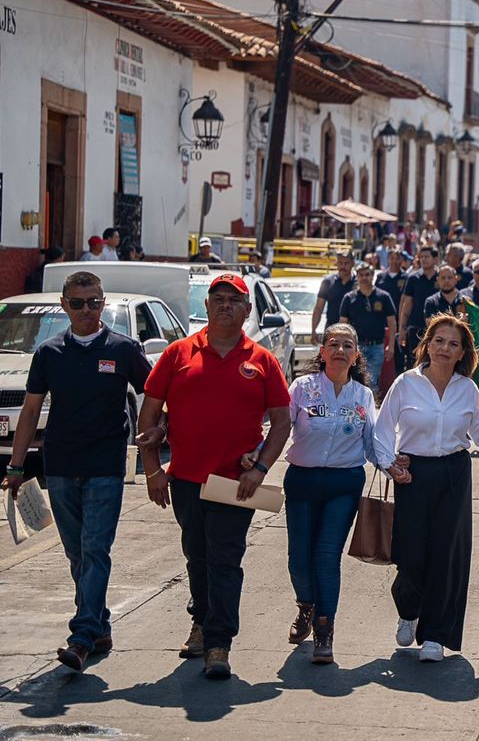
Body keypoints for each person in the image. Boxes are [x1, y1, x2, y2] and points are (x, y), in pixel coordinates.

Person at [137, 273, 291, 679]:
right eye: (217, 298)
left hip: (235, 484)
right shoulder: (177, 353)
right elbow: (150, 415)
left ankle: (219, 643)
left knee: (225, 559)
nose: (224, 304)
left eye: (233, 299)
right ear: (206, 306)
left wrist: (260, 469)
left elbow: (281, 422)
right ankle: (202, 621)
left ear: (247, 309)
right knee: (197, 555)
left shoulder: (262, 360)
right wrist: (154, 470)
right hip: (185, 479)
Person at [2, 272, 152, 671]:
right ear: (64, 306)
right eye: (77, 303)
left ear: (102, 304)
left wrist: (156, 435)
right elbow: (31, 410)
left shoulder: (124, 349)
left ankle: (82, 635)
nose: (86, 310)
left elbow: (156, 393)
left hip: (105, 466)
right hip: (61, 466)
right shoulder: (49, 352)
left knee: (94, 548)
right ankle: (100, 625)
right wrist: (16, 466)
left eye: (93, 302)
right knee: (76, 553)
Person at [374, 314, 479, 663]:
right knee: (411, 553)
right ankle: (408, 610)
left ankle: (434, 635)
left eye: (453, 344)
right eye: (439, 341)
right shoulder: (405, 383)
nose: (445, 348)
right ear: (427, 344)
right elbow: (383, 430)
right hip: (412, 474)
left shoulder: (468, 389)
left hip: (454, 473)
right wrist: (390, 465)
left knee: (446, 554)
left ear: (463, 352)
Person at [283, 324, 378, 665]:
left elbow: (373, 444)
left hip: (344, 484)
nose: (339, 350)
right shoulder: (302, 388)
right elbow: (280, 428)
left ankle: (325, 630)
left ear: (356, 356)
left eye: (347, 345)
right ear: (321, 352)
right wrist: (257, 456)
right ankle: (305, 605)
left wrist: (395, 464)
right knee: (298, 559)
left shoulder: (363, 396)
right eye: (333, 344)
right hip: (302, 482)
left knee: (325, 556)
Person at [339, 263, 396, 394]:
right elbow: (343, 325)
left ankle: (368, 412)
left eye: (367, 274)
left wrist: (391, 345)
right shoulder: (349, 298)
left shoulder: (384, 297)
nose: (364, 278)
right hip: (355, 347)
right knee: (353, 380)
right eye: (361, 275)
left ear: (373, 276)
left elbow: (392, 322)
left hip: (377, 347)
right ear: (357, 277)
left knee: (372, 381)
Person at [398, 246, 440, 367]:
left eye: (427, 256)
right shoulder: (413, 278)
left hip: (437, 329)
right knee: (415, 363)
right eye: (421, 257)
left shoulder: (442, 277)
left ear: (435, 259)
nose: (423, 259)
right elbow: (407, 304)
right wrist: (402, 329)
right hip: (416, 328)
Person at [312, 252, 356, 346]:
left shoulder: (358, 283)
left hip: (353, 329)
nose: (343, 266)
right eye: (340, 262)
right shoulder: (328, 282)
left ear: (353, 263)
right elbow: (318, 308)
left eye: (346, 263)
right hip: (332, 327)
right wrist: (313, 330)